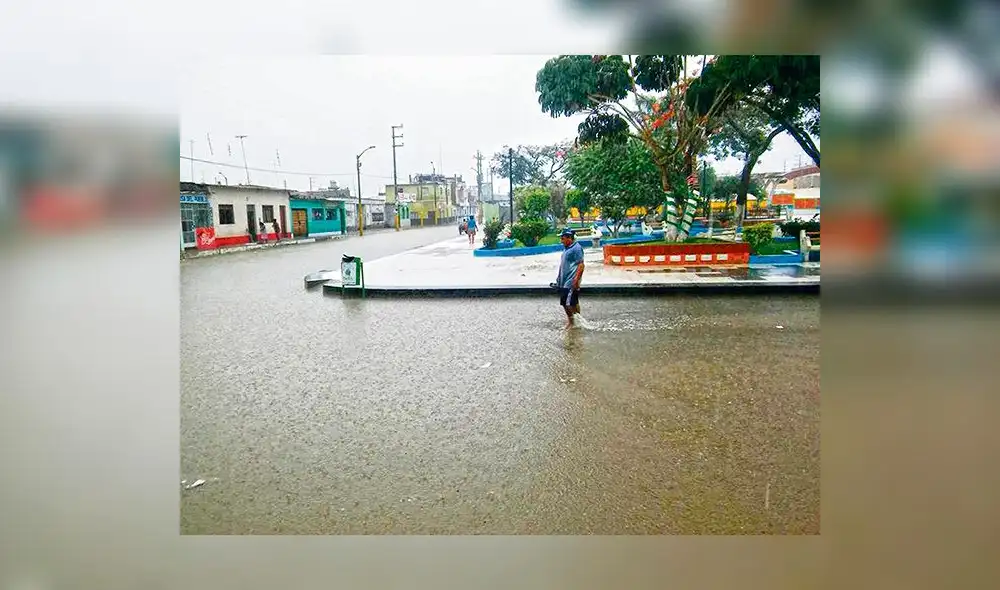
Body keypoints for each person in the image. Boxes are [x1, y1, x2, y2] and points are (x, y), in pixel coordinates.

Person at [554, 228, 585, 328]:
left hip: (571, 280)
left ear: (569, 238)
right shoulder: (567, 248)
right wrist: (559, 279)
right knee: (573, 302)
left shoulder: (576, 248)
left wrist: (576, 279)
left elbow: (581, 265)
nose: (561, 241)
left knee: (565, 302)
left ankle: (572, 323)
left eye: (563, 238)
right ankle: (577, 320)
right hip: (565, 280)